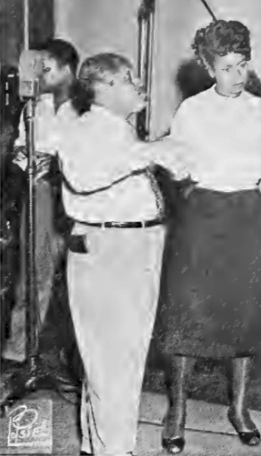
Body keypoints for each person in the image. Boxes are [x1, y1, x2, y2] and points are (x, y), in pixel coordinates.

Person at [40, 52, 189, 456]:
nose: (139, 84)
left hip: (133, 248)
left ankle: (99, 447)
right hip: (111, 250)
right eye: (128, 79)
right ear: (102, 88)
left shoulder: (117, 130)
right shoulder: (83, 128)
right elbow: (84, 176)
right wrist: (149, 152)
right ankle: (116, 450)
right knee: (115, 363)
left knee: (114, 361)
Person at [154, 19, 261, 454]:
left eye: (243, 65)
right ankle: (177, 411)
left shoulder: (260, 110)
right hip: (203, 216)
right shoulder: (192, 110)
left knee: (246, 311)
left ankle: (239, 408)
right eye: (227, 67)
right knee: (186, 311)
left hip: (249, 216)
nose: (237, 75)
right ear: (209, 68)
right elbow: (177, 167)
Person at [3, 39, 79, 374]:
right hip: (41, 197)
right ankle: (20, 354)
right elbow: (19, 148)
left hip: (80, 201)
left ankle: (75, 360)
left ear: (67, 69)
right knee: (34, 275)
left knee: (79, 282)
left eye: (46, 69)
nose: (39, 76)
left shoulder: (90, 106)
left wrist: (56, 163)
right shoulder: (34, 107)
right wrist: (23, 157)